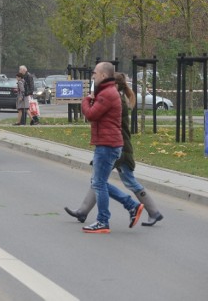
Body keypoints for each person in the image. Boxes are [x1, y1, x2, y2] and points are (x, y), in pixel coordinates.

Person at [65, 72, 164, 226]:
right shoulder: (116, 97)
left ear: (115, 85)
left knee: (107, 181)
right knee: (100, 180)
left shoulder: (115, 99)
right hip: (118, 146)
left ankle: (150, 210)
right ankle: (83, 211)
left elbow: (94, 115)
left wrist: (90, 100)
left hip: (118, 148)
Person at [78, 61, 144, 233]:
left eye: (95, 73)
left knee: (98, 184)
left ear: (103, 75)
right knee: (99, 182)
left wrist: (85, 101)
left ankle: (103, 221)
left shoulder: (107, 93)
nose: (93, 75)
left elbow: (91, 115)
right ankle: (131, 206)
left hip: (107, 145)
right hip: (108, 143)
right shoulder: (107, 92)